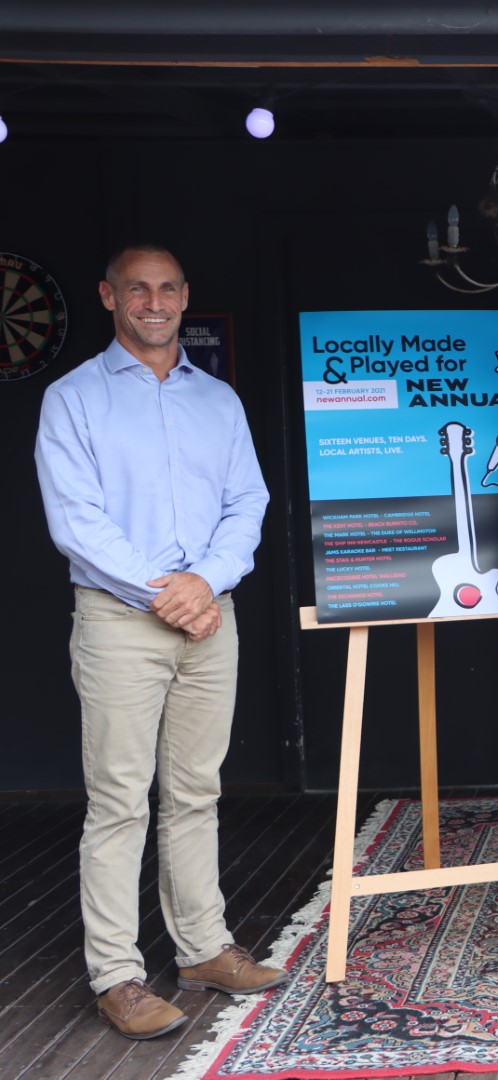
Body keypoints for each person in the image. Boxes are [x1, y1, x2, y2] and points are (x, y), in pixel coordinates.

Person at [34, 245, 280, 1040]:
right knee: (117, 801)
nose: (153, 301)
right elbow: (77, 522)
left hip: (210, 616)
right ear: (108, 297)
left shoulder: (219, 401)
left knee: (197, 793)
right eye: (136, 288)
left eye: (167, 288)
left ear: (184, 298)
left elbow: (248, 502)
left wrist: (203, 583)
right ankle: (118, 976)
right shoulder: (73, 400)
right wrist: (168, 592)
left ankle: (204, 947)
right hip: (120, 621)